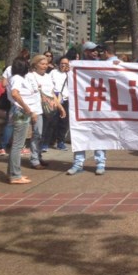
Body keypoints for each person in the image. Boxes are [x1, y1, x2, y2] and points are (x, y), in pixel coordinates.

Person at [66, 41, 108, 176]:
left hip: (100, 105)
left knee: (100, 134)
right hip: (82, 106)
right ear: (85, 52)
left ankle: (100, 163)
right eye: (92, 50)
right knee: (80, 134)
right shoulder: (77, 66)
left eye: (97, 50)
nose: (95, 52)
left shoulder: (104, 64)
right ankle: (78, 163)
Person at [0, 48, 30, 156]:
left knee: (10, 125)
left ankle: (2, 147)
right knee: (21, 127)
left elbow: (4, 84)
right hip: (21, 103)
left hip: (12, 102)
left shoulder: (9, 69)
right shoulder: (20, 76)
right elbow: (16, 92)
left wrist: (10, 84)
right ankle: (20, 147)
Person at [30, 54, 65, 153]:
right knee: (38, 133)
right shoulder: (31, 76)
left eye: (46, 64)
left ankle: (38, 156)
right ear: (35, 64)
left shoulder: (48, 76)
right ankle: (35, 158)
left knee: (43, 133)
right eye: (42, 64)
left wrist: (60, 107)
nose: (45, 66)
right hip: (36, 109)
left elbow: (52, 93)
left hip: (48, 109)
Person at [51, 56, 70, 151]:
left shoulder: (69, 74)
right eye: (62, 63)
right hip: (54, 99)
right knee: (53, 121)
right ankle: (47, 141)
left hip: (65, 100)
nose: (64, 65)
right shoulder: (53, 72)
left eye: (66, 63)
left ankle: (61, 142)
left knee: (64, 122)